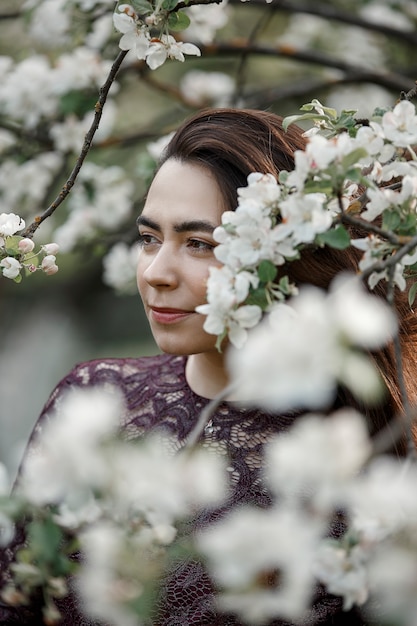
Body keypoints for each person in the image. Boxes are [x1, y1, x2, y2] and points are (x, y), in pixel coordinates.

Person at [0, 107, 416, 625]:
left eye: (200, 244)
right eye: (150, 238)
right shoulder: (92, 399)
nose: (155, 272)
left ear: (282, 252)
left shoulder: (361, 454)